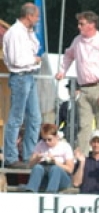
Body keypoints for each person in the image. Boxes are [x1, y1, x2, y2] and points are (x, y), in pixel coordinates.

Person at [55, 11, 99, 156]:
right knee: (84, 126)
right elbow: (69, 55)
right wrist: (62, 70)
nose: (79, 27)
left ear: (92, 25)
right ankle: (81, 158)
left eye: (82, 24)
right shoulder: (77, 40)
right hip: (84, 89)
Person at [2, 2, 42, 169]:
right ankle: (11, 156)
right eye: (36, 17)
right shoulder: (14, 33)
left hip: (29, 76)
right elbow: (15, 60)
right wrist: (34, 60)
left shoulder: (26, 32)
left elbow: (36, 47)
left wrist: (32, 32)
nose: (38, 20)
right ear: (29, 16)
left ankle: (28, 155)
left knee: (35, 117)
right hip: (20, 76)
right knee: (16, 118)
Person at [21, 123, 74, 193]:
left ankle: (50, 193)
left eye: (49, 139)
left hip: (61, 177)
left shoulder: (65, 147)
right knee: (37, 168)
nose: (47, 142)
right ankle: (30, 191)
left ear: (56, 137)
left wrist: (55, 162)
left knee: (55, 169)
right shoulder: (40, 144)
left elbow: (70, 169)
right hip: (44, 173)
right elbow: (31, 165)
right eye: (44, 140)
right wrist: (37, 158)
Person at [58, 80, 80, 146]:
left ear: (78, 91)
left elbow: (78, 124)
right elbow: (58, 120)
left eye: (73, 89)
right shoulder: (65, 104)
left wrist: (63, 133)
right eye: (69, 89)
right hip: (65, 133)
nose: (70, 91)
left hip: (77, 134)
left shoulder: (82, 105)